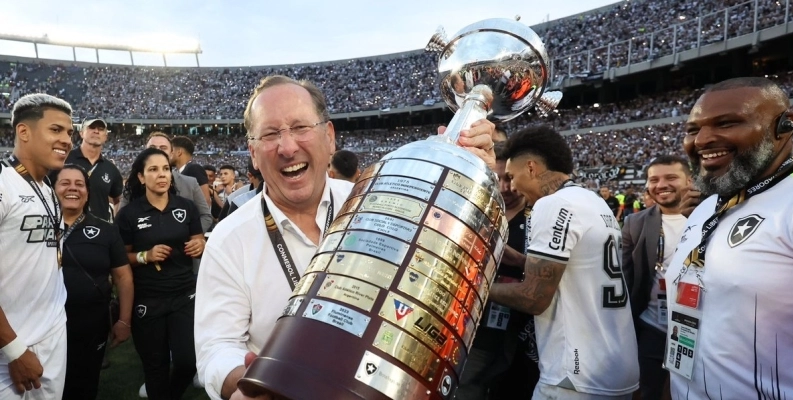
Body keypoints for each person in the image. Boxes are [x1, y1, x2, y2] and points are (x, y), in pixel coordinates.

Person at [194, 74, 497, 400]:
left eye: (300, 127)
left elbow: (440, 257)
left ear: (329, 136)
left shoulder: (377, 199)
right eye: (270, 134)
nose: (287, 147)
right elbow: (217, 346)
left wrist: (470, 182)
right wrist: (247, 385)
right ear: (253, 153)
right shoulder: (229, 238)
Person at [666, 77, 793, 397]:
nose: (702, 140)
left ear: (786, 125)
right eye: (693, 130)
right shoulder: (708, 205)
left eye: (726, 123)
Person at [489, 125, 638, 399]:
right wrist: (522, 260)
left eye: (511, 176)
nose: (510, 187)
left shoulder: (553, 204)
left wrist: (475, 287)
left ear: (531, 168)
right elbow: (577, 271)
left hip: (575, 374)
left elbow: (533, 297)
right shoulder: (592, 201)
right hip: (615, 364)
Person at [115, 148, 206, 400]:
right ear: (141, 177)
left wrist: (200, 246)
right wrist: (146, 256)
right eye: (153, 170)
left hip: (184, 296)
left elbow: (198, 240)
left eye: (165, 168)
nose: (161, 174)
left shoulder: (185, 207)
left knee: (188, 362)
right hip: (148, 300)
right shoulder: (129, 215)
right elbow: (120, 260)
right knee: (155, 369)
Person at [0, 93, 73, 399]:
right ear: (24, 132)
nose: (67, 140)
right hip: (10, 346)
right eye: (56, 130)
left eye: (70, 132)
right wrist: (14, 349)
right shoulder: (4, 182)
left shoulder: (46, 188)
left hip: (51, 335)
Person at [455, 141, 538, 400]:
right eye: (496, 178)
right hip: (477, 328)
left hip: (525, 331)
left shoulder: (539, 215)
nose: (504, 187)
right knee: (468, 387)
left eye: (509, 178)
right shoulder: (476, 213)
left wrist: (519, 261)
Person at [54, 164, 134, 400]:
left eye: (79, 184)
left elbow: (123, 276)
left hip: (91, 325)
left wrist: (124, 321)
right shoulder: (36, 227)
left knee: (84, 385)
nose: (73, 189)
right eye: (65, 183)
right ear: (52, 189)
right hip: (45, 325)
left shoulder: (106, 230)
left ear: (88, 192)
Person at [621, 155, 690, 400]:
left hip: (698, 328)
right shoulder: (634, 223)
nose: (661, 184)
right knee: (647, 390)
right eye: (654, 179)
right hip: (652, 324)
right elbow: (625, 279)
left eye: (671, 177)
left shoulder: (712, 217)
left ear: (689, 180)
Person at [119, 132, 213, 233]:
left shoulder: (190, 183)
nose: (157, 151)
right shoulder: (133, 184)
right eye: (152, 147)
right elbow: (122, 220)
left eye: (163, 147)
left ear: (172, 153)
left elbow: (206, 216)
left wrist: (190, 237)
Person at [59, 118, 123, 222]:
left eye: (101, 129)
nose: (96, 131)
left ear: (105, 136)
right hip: (67, 229)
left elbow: (118, 198)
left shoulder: (110, 168)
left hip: (98, 232)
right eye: (91, 128)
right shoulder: (64, 159)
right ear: (81, 133)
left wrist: (115, 223)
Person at [171, 135, 212, 207]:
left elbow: (205, 201)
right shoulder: (180, 172)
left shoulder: (194, 169)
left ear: (179, 152)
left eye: (171, 151)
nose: (168, 154)